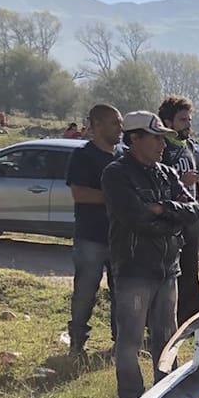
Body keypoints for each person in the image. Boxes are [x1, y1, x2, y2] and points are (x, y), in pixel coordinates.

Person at [101, 111, 199, 398]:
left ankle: (165, 397)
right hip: (133, 268)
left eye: (163, 139)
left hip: (167, 269)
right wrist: (173, 219)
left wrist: (163, 208)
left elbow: (195, 211)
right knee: (130, 340)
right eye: (156, 138)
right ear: (135, 138)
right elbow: (136, 219)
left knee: (167, 339)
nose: (162, 145)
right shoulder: (116, 174)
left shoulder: (167, 173)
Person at [65, 104, 122, 357]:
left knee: (121, 293)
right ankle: (77, 344)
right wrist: (116, 198)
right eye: (114, 123)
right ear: (97, 124)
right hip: (91, 237)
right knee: (85, 292)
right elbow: (79, 193)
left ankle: (120, 343)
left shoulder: (124, 156)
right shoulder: (83, 155)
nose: (120, 128)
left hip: (120, 237)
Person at [158, 96, 199, 324]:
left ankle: (190, 321)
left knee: (191, 270)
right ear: (168, 122)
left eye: (189, 119)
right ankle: (167, 320)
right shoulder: (162, 147)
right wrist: (181, 179)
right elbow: (157, 181)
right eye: (182, 120)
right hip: (171, 218)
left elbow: (194, 181)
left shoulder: (188, 146)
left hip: (191, 216)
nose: (188, 124)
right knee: (172, 272)